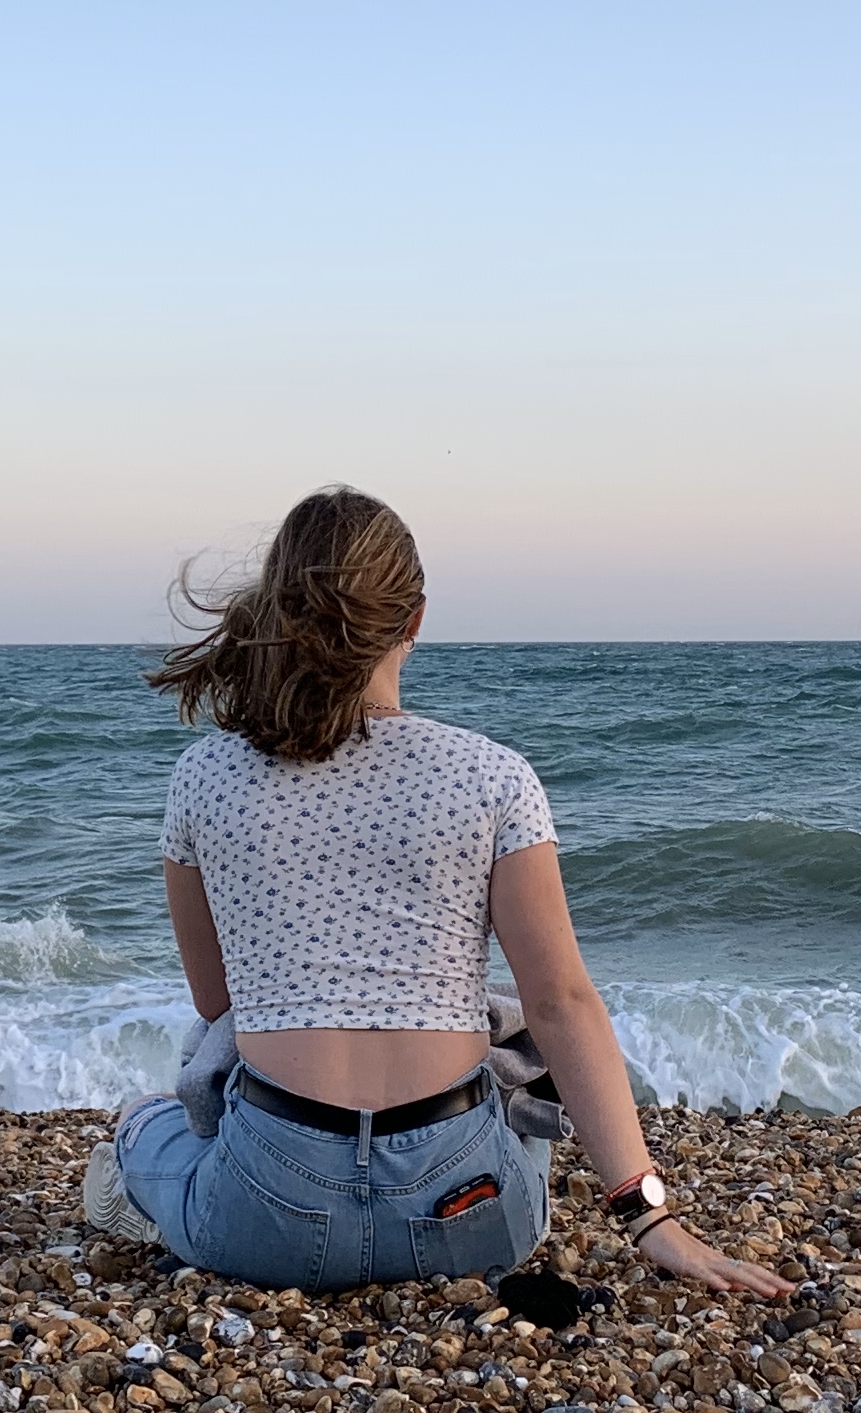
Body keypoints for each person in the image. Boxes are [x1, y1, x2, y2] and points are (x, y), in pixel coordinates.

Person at [84, 487, 796, 1300]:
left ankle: (154, 1194)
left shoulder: (203, 777)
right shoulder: (492, 776)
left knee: (146, 1122)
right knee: (523, 1104)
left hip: (267, 1213)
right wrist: (650, 1218)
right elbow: (563, 1002)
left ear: (274, 609)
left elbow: (220, 1004)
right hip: (467, 1214)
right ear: (414, 619)